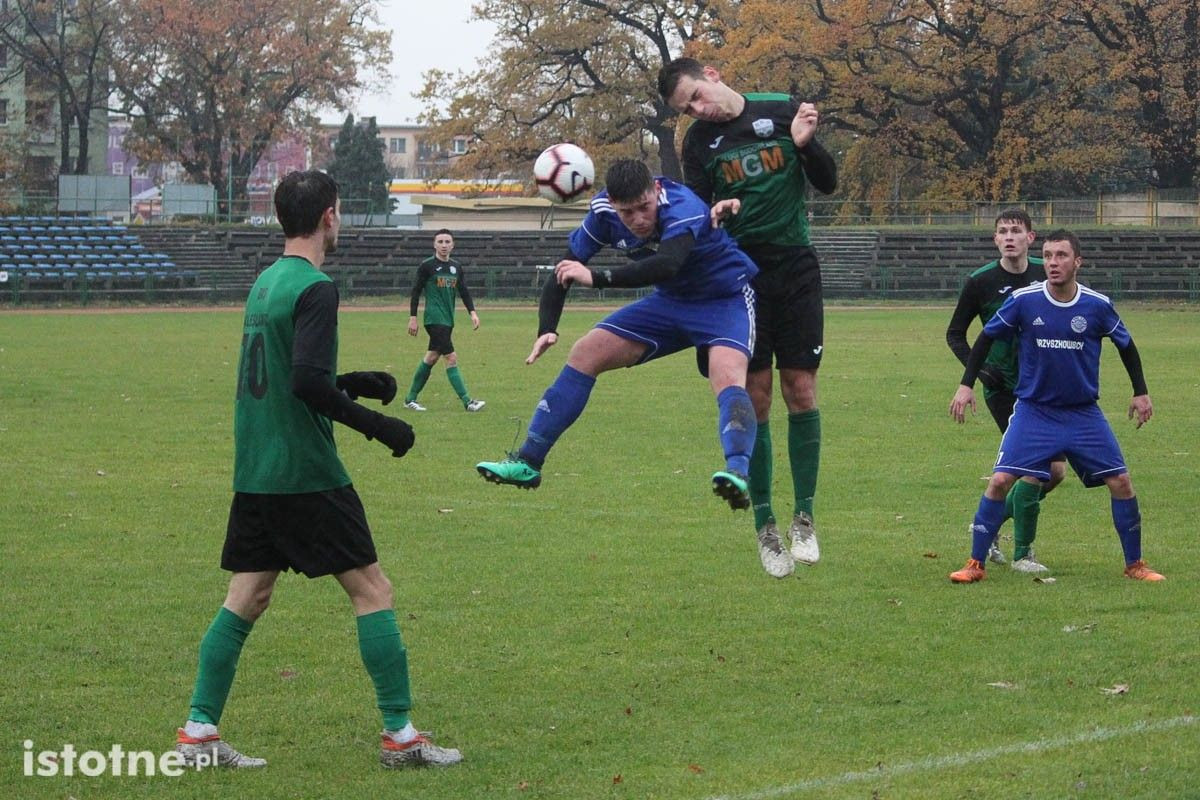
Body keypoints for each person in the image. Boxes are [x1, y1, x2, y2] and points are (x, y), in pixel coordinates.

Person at [174, 170, 462, 770]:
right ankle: (400, 736)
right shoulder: (316, 287)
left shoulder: (265, 283)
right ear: (330, 215)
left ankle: (198, 734)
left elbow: (287, 372)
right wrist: (379, 426)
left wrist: (352, 382)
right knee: (372, 590)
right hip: (304, 470)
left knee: (246, 597)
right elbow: (304, 381)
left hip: (256, 466)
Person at [475, 159, 791, 577]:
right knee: (586, 351)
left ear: (654, 193)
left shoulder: (683, 205)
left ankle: (736, 473)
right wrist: (547, 327)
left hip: (724, 298)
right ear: (612, 204)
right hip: (669, 304)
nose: (638, 219)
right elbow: (565, 270)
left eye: (644, 207)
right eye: (628, 212)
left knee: (728, 376)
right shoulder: (603, 214)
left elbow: (667, 265)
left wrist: (599, 277)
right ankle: (529, 462)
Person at [658, 57, 837, 569]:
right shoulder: (697, 144)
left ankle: (804, 517)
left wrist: (806, 145)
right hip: (740, 279)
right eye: (685, 108)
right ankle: (766, 525)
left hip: (796, 268)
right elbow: (695, 214)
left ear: (711, 74)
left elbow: (827, 182)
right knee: (755, 396)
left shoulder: (781, 109)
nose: (697, 110)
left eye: (695, 96)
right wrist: (714, 214)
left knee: (800, 389)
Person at [947, 229, 1164, 584]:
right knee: (1001, 479)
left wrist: (1140, 392)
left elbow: (1126, 345)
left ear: (1077, 261)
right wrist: (966, 385)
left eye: (1061, 256)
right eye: (1047, 256)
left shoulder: (1096, 305)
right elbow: (986, 336)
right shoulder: (1024, 300)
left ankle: (1135, 565)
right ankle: (975, 564)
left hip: (1082, 413)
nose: (1052, 263)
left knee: (1121, 482)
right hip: (1034, 410)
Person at [946, 208, 1065, 572]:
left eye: (1016, 230)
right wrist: (979, 373)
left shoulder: (1044, 271)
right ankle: (1023, 554)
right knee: (1036, 468)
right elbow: (955, 334)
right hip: (1004, 388)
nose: (1009, 236)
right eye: (1003, 231)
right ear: (995, 239)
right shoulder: (980, 281)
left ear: (1031, 237)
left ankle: (989, 524)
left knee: (1056, 472)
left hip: (1044, 387)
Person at [403, 228, 485, 412]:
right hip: (434, 319)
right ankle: (468, 402)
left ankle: (410, 399)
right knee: (451, 358)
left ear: (453, 245)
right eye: (440, 242)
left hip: (448, 320)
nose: (444, 245)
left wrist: (472, 312)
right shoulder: (427, 266)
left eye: (447, 242)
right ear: (434, 244)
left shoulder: (456, 267)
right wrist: (413, 318)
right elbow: (416, 292)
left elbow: (463, 291)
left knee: (431, 357)